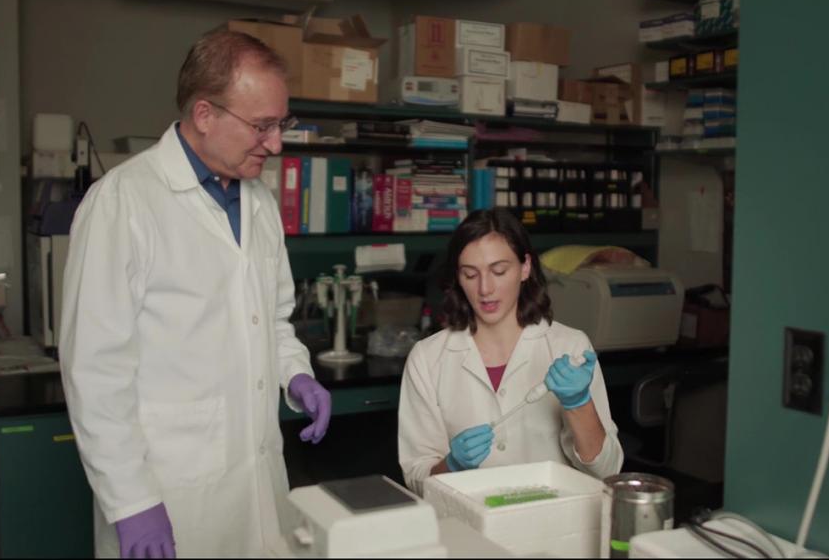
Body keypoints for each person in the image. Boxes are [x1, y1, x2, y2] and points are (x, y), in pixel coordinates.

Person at [59, 30, 331, 558]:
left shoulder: (259, 201)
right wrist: (131, 500)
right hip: (168, 490)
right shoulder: (123, 202)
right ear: (205, 114)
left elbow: (272, 319)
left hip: (256, 477)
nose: (275, 143)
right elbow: (95, 370)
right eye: (262, 126)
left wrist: (295, 373)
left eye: (282, 124)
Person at [398, 209, 624, 495]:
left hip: (554, 523)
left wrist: (578, 403)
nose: (485, 288)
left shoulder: (570, 347)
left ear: (525, 267)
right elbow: (416, 476)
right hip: (467, 528)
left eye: (499, 271)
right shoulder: (427, 358)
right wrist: (451, 465)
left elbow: (608, 470)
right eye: (470, 274)